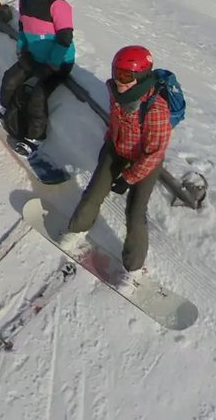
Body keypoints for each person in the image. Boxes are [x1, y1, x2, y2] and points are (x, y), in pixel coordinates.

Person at [66, 45, 172, 273]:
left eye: (126, 75)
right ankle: (76, 230)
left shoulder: (156, 109)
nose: (119, 80)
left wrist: (129, 177)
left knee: (135, 212)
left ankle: (133, 268)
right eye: (116, 72)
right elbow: (116, 120)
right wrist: (111, 142)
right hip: (117, 148)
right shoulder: (116, 91)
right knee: (93, 193)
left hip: (145, 160)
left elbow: (155, 152)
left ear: (141, 76)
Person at [0, 0, 75, 154]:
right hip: (34, 56)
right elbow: (24, 29)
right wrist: (22, 51)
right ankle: (3, 108)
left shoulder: (57, 5)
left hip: (59, 62)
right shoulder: (25, 0)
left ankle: (36, 137)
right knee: (10, 78)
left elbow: (65, 39)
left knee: (38, 96)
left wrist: (52, 64)